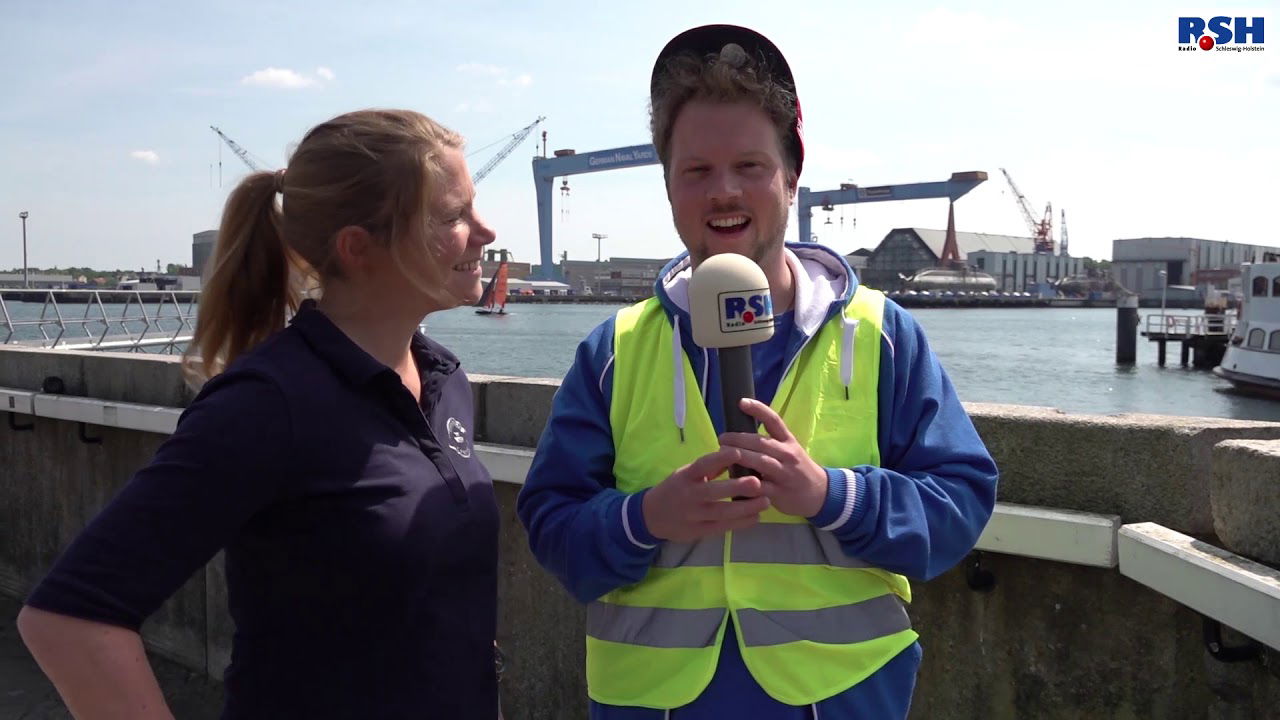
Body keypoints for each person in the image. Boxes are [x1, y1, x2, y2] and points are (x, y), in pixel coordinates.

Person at [517, 25, 999, 720]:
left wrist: (834, 496)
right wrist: (644, 517)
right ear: (668, 186)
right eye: (696, 171)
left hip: (840, 701)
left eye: (749, 166)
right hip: (650, 706)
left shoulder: (883, 335)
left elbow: (960, 505)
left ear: (792, 176)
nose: (723, 192)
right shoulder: (614, 350)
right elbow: (551, 524)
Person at [17, 109, 502, 719]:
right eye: (453, 216)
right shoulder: (270, 403)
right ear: (358, 248)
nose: (485, 230)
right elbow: (69, 620)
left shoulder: (445, 381)